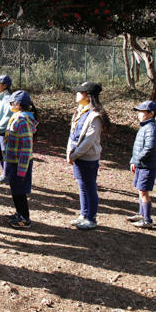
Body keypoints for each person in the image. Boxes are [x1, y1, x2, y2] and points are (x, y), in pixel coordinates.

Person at [67, 82, 113, 230]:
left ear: (88, 95)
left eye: (80, 92)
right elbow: (72, 135)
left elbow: (88, 141)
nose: (76, 94)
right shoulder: (80, 112)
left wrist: (74, 155)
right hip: (77, 156)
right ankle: (83, 214)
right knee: (82, 187)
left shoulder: (95, 116)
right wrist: (70, 153)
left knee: (90, 188)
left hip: (88, 158)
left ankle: (91, 218)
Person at [3, 91, 38, 228]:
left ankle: (25, 219)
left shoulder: (22, 120)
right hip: (13, 161)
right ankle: (19, 213)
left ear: (17, 105)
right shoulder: (17, 117)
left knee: (20, 190)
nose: (10, 105)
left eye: (11, 103)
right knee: (15, 188)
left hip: (20, 163)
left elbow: (27, 145)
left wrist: (22, 169)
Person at [126, 100, 156, 228]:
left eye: (142, 111)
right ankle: (141, 215)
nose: (139, 114)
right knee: (140, 191)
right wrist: (133, 160)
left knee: (144, 192)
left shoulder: (151, 128)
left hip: (147, 166)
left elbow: (149, 148)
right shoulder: (145, 127)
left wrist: (137, 160)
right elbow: (138, 147)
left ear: (151, 114)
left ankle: (147, 220)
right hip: (141, 165)